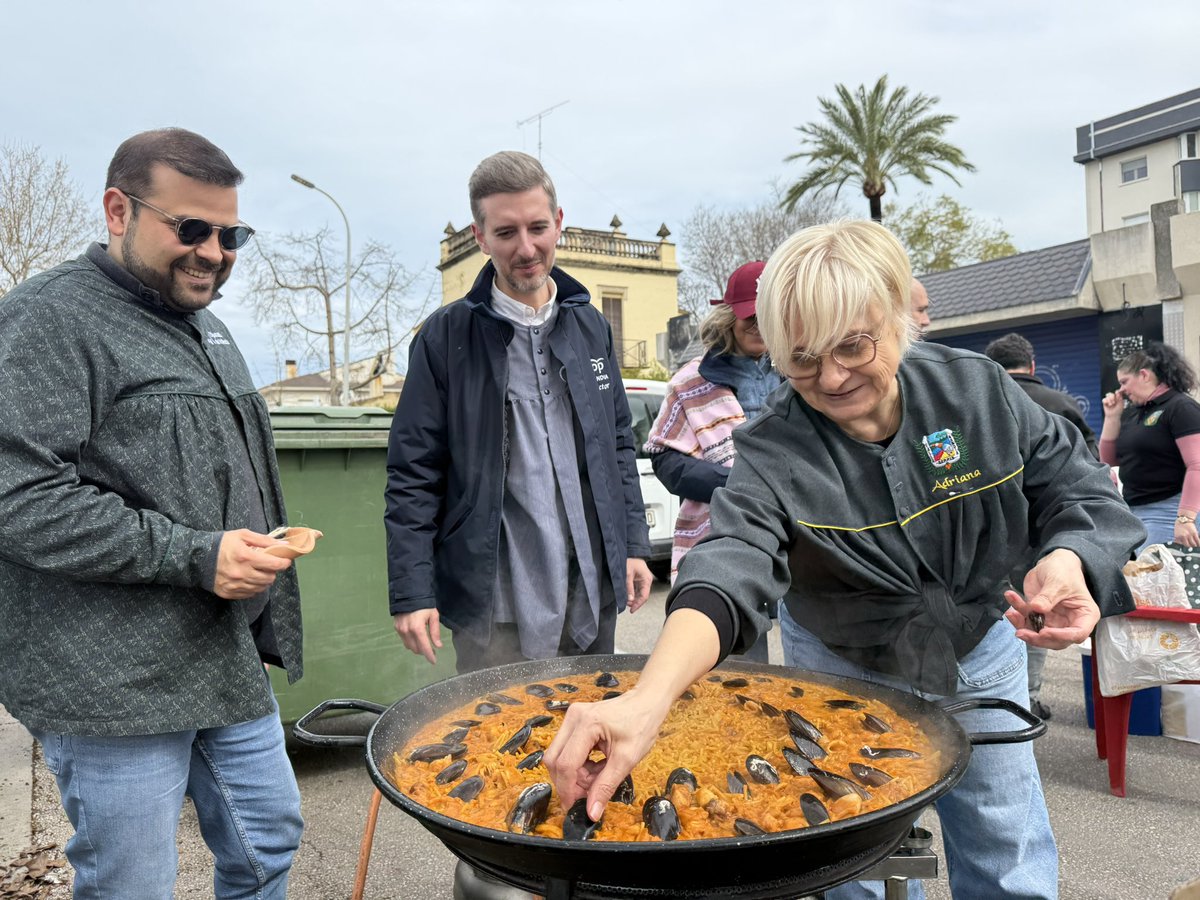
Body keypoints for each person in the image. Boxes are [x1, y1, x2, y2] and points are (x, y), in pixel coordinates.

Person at [544, 220, 1143, 900]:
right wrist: (648, 700)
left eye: (854, 346)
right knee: (855, 860)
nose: (830, 378)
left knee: (1005, 846)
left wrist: (1069, 559)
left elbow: (1078, 485)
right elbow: (730, 565)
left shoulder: (978, 392)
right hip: (840, 665)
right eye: (801, 359)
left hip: (980, 647)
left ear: (896, 317)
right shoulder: (771, 448)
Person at [0, 128, 304, 899]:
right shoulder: (49, 318)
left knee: (267, 836)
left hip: (217, 654)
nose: (214, 250)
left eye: (231, 234)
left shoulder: (211, 327)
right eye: (190, 228)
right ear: (117, 210)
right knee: (132, 883)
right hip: (109, 679)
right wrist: (196, 554)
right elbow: (19, 496)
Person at [385, 150, 653, 674]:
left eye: (537, 227)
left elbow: (617, 443)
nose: (526, 248)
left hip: (590, 588)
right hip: (497, 604)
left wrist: (633, 545)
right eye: (506, 233)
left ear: (558, 224)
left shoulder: (591, 328)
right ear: (481, 237)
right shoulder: (444, 339)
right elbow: (414, 473)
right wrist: (412, 591)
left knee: (593, 728)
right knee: (497, 742)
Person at [644, 260, 782, 661]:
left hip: (800, 540)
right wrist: (737, 483)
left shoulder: (800, 371)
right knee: (737, 667)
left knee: (809, 667)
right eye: (748, 316)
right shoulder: (691, 382)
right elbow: (665, 460)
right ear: (728, 317)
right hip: (723, 539)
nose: (758, 324)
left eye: (766, 314)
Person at [985, 331, 1100, 721]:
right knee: (1038, 613)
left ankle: (997, 699)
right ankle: (1028, 698)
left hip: (992, 539)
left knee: (998, 615)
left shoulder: (981, 403)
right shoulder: (1061, 404)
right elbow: (1088, 471)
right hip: (1051, 537)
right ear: (1032, 366)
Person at [1101, 341, 1200, 551]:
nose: (1121, 390)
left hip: (1169, 510)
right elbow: (1108, 461)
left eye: (1124, 381)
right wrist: (1112, 417)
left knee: (1161, 581)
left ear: (1144, 375)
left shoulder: (1180, 407)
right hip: (1135, 512)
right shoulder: (1137, 413)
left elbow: (1197, 464)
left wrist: (1185, 518)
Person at [985, 332, 1099, 458]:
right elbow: (1090, 454)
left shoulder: (981, 408)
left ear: (990, 370)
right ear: (1032, 367)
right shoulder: (1064, 403)